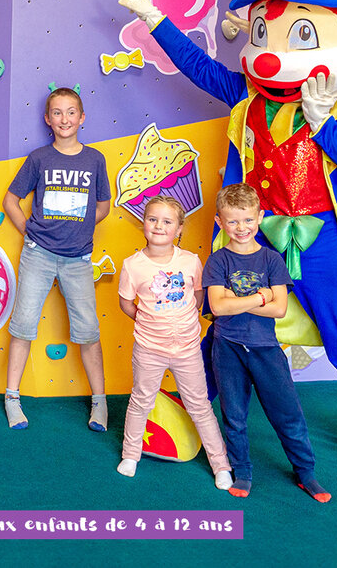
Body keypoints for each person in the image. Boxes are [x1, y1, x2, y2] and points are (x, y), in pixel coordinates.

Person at [204, 184, 330, 502]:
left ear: (260, 217)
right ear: (220, 222)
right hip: (227, 347)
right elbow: (217, 308)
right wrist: (261, 295)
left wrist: (238, 297)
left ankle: (306, 473)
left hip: (265, 348)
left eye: (247, 220)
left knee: (287, 413)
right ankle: (243, 472)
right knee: (233, 415)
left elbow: (279, 308)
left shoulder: (272, 260)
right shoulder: (217, 261)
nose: (241, 228)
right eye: (233, 221)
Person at [2, 87, 111, 431]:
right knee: (22, 325)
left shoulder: (95, 159)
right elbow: (11, 200)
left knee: (89, 331)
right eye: (57, 113)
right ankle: (12, 397)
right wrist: (30, 231)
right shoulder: (38, 158)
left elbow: (104, 205)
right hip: (38, 256)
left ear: (82, 117)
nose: (65, 119)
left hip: (78, 259)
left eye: (71, 112)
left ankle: (100, 401)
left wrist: (76, 226)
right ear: (48, 120)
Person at [116, 195, 233, 490]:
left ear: (179, 229)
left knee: (200, 406)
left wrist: (177, 320)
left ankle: (221, 464)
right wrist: (150, 322)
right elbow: (127, 304)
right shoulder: (133, 266)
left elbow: (196, 297)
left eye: (167, 222)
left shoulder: (190, 261)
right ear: (143, 223)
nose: (158, 226)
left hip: (187, 349)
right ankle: (130, 454)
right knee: (141, 400)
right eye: (152, 219)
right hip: (149, 349)